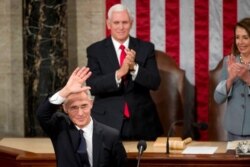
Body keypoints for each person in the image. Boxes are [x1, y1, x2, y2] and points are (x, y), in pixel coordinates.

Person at [86, 4, 163, 140]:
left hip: (142, 121)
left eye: (125, 22)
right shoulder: (95, 50)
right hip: (107, 121)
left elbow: (155, 82)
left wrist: (134, 67)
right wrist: (119, 73)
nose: (121, 27)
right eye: (116, 23)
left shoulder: (146, 48)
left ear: (131, 24)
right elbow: (93, 85)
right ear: (108, 24)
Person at [36, 67, 127, 167]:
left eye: (84, 106)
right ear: (65, 109)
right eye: (74, 108)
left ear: (91, 104)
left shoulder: (110, 135)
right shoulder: (59, 128)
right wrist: (65, 91)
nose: (80, 113)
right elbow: (42, 114)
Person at [214, 17, 250, 141]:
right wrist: (230, 80)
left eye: (245, 37)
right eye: (237, 37)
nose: (240, 42)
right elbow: (218, 98)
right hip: (234, 132)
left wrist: (248, 79)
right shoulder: (229, 62)